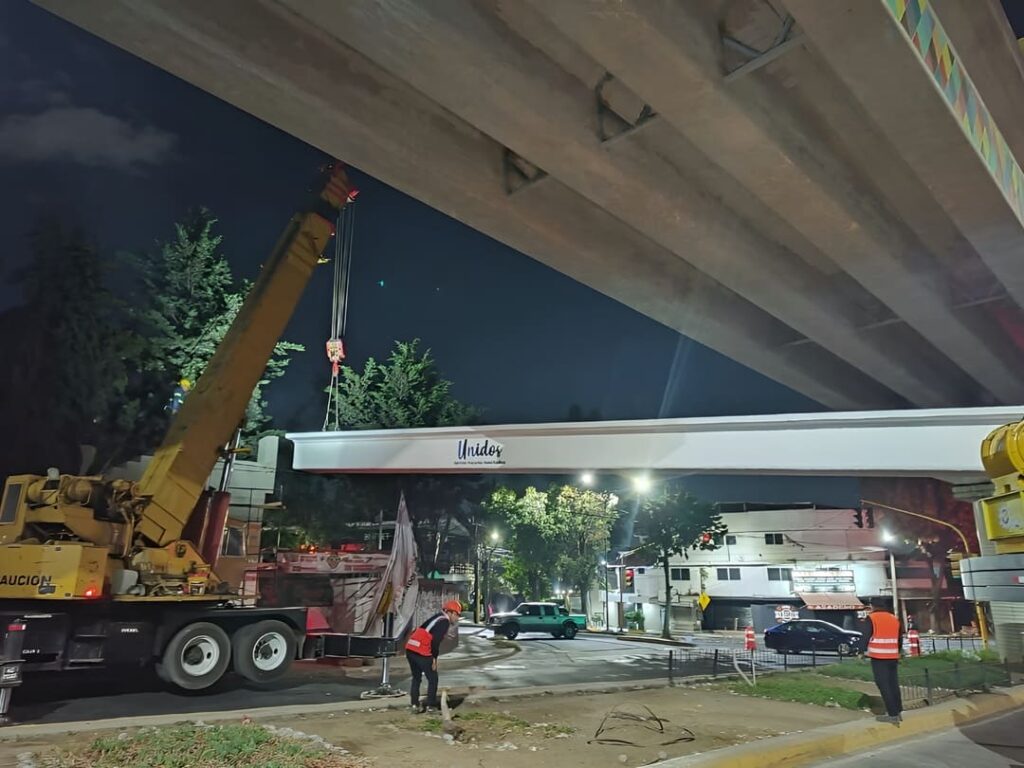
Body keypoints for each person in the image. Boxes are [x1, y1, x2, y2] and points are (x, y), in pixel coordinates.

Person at [405, 599, 462, 713]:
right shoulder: (444, 621)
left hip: (410, 648)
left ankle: (414, 706)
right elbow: (435, 641)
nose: (457, 618)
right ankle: (431, 707)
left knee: (416, 678)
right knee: (433, 679)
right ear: (450, 612)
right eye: (456, 614)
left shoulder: (437, 618)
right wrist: (434, 659)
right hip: (422, 650)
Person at [859, 598, 903, 724]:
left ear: (873, 606)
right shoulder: (893, 618)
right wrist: (898, 651)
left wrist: (861, 651)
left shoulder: (872, 618)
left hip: (879, 656)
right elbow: (899, 638)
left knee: (883, 684)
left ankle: (892, 714)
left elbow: (866, 635)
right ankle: (899, 710)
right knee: (893, 683)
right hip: (893, 656)